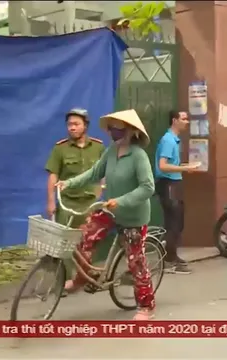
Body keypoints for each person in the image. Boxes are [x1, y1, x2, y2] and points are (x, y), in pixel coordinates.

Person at [56, 109, 157, 320]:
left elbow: (148, 187)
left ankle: (146, 306)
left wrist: (120, 201)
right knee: (84, 237)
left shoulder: (138, 156)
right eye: (111, 128)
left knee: (136, 262)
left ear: (129, 131)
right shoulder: (111, 151)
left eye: (118, 128)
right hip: (109, 210)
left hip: (133, 216)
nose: (113, 132)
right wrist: (69, 183)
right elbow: (94, 173)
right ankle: (81, 279)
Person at [45, 108, 105, 281]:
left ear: (85, 126)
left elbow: (104, 171)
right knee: (65, 243)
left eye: (76, 124)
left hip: (90, 203)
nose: (72, 128)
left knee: (88, 241)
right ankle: (64, 279)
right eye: (69, 124)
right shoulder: (60, 149)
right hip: (67, 203)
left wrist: (101, 190)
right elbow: (53, 176)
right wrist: (51, 202)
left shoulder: (98, 147)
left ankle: (84, 274)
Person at [155, 110, 200, 274]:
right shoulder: (168, 140)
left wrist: (185, 167)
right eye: (184, 119)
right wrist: (185, 168)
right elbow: (162, 165)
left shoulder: (174, 139)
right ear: (175, 120)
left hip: (174, 183)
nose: (187, 121)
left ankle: (170, 257)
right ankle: (169, 261)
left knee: (176, 222)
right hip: (168, 184)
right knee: (174, 222)